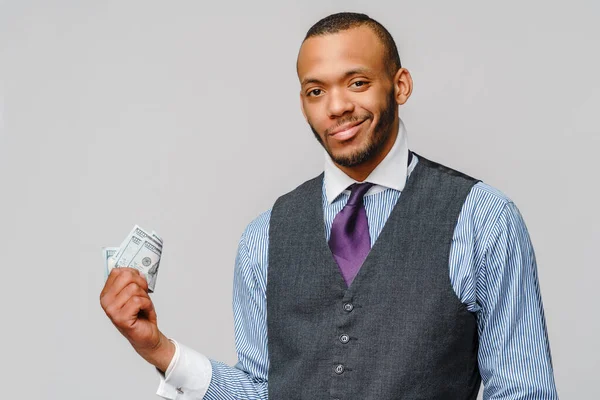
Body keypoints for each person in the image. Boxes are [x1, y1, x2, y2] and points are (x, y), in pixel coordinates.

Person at [100, 12, 559, 399]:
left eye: (356, 82)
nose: (336, 107)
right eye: (316, 91)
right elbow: (263, 390)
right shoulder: (266, 235)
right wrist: (156, 347)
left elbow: (523, 391)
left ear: (399, 86)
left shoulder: (483, 219)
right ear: (303, 103)